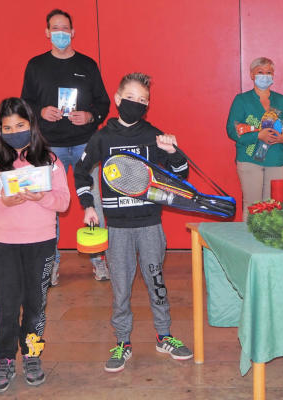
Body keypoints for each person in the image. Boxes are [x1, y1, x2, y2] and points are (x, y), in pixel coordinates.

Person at [74, 72, 193, 372]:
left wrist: (174, 152)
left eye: (143, 100)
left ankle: (164, 336)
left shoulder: (153, 135)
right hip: (117, 229)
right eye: (132, 98)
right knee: (121, 288)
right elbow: (80, 171)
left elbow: (180, 175)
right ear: (117, 99)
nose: (137, 104)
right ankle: (122, 342)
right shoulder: (102, 137)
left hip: (150, 224)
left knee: (157, 282)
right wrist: (88, 206)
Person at [0, 98, 70, 393]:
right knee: (7, 305)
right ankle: (4, 359)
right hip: (4, 245)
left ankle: (32, 355)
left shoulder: (50, 162)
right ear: (0, 131)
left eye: (20, 125)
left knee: (35, 306)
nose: (14, 131)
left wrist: (42, 197)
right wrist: (2, 201)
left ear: (32, 126)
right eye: (7, 127)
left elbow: (64, 202)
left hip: (41, 244)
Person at [21, 9, 111, 285]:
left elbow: (104, 103)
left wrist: (90, 116)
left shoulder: (87, 65)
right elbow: (24, 105)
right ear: (47, 32)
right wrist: (40, 111)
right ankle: (52, 264)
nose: (60, 33)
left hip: (86, 144)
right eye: (55, 28)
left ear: (73, 32)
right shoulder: (36, 66)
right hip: (49, 147)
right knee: (49, 207)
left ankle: (99, 260)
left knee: (94, 201)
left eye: (65, 29)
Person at [226, 57, 283, 220]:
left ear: (273, 76)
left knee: (274, 206)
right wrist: (257, 135)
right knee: (252, 205)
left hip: (276, 160)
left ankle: (268, 242)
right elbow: (231, 130)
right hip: (249, 159)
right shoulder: (241, 100)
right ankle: (246, 244)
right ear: (252, 75)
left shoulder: (282, 101)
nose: (265, 76)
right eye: (260, 72)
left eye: (269, 73)